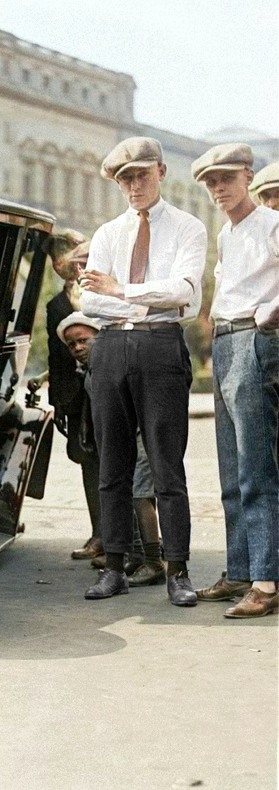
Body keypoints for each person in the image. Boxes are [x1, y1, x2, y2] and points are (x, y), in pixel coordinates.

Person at [79, 136, 207, 606]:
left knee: (166, 464)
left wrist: (121, 288)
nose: (133, 186)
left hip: (160, 345)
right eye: (124, 179)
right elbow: (89, 299)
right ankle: (115, 567)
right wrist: (131, 291)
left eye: (140, 175)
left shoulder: (188, 228)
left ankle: (178, 570)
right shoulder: (109, 233)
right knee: (112, 463)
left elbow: (183, 291)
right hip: (110, 346)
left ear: (160, 172)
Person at [191, 144, 279, 618]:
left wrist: (268, 315)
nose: (219, 189)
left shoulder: (272, 223)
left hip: (254, 338)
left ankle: (267, 582)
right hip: (226, 340)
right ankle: (241, 570)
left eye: (226, 179)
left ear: (247, 176)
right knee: (230, 466)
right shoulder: (227, 233)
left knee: (255, 467)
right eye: (211, 183)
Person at [57, 312, 165, 587]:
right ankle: (138, 555)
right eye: (72, 345)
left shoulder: (115, 364)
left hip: (141, 438)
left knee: (141, 496)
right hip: (124, 440)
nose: (78, 348)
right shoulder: (91, 372)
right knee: (127, 496)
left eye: (83, 340)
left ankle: (154, 562)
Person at [40, 229, 101, 560]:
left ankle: (124, 536)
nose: (58, 263)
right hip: (75, 400)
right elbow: (55, 355)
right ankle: (99, 534)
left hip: (105, 392)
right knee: (88, 464)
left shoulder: (99, 295)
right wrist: (59, 403)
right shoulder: (55, 305)